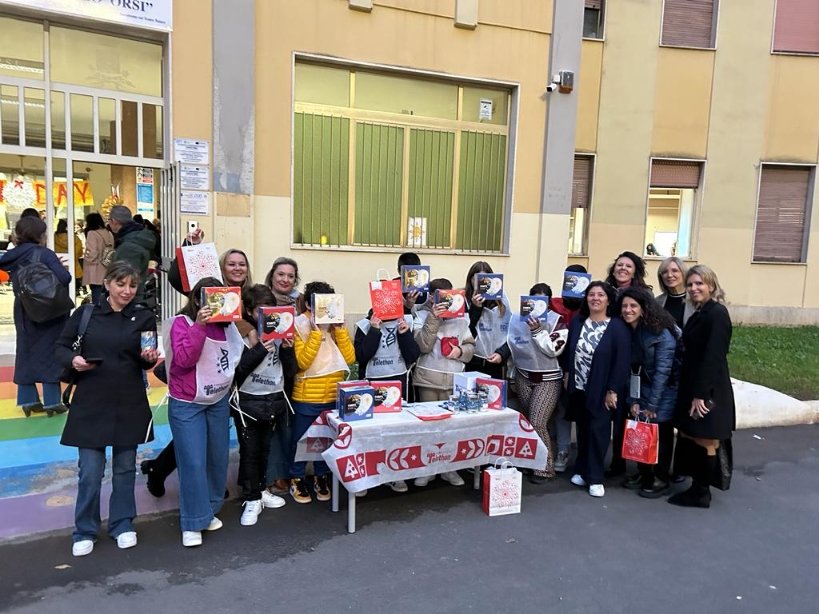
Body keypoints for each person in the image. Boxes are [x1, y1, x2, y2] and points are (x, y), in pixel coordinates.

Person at [55, 261, 159, 556]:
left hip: (129, 401)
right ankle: (85, 529)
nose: (127, 291)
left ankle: (123, 523)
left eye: (133, 286)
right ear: (108, 284)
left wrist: (148, 357)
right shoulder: (86, 313)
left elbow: (147, 360)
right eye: (121, 284)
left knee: (125, 468)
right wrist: (73, 361)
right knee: (90, 471)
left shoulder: (143, 317)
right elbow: (60, 347)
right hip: (90, 401)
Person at [141, 245, 254, 497]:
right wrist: (190, 245)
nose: (237, 268)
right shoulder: (207, 288)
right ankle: (162, 471)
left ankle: (211, 484)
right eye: (232, 264)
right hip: (196, 370)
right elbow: (177, 274)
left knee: (214, 437)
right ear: (221, 267)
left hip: (230, 371)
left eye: (242, 264)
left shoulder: (250, 294)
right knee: (193, 437)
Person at [165, 277, 243, 547]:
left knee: (216, 458)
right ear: (197, 299)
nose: (214, 303)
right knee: (193, 462)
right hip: (188, 403)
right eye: (207, 297)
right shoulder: (181, 323)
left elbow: (236, 359)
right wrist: (199, 325)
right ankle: (193, 521)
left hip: (218, 400)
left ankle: (208, 509)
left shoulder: (228, 326)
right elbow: (184, 360)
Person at [669, 265, 735, 509]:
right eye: (690, 284)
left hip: (709, 389)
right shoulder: (701, 312)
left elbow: (714, 357)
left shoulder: (717, 314)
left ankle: (701, 492)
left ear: (711, 286)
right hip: (694, 384)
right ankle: (696, 487)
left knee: (706, 439)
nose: (694, 288)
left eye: (699, 284)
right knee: (692, 435)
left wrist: (701, 395)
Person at [231, 285, 296, 525]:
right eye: (260, 311)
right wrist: (259, 348)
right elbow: (238, 372)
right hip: (248, 400)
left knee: (265, 450)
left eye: (269, 310)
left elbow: (290, 371)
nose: (265, 316)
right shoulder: (241, 333)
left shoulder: (281, 331)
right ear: (249, 310)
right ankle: (250, 498)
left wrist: (288, 349)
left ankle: (260, 491)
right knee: (249, 452)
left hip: (274, 399)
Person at [289, 281, 355, 504]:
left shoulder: (335, 326)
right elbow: (301, 363)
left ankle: (321, 477)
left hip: (332, 395)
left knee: (325, 441)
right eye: (320, 302)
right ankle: (296, 478)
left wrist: (341, 331)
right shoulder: (298, 324)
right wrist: (316, 333)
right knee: (301, 442)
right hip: (306, 396)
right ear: (308, 303)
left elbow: (350, 359)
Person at [562, 281, 630, 498]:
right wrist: (567, 374)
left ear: (608, 299)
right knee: (582, 431)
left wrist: (612, 390)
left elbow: (621, 362)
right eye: (591, 294)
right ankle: (582, 471)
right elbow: (569, 351)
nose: (595, 298)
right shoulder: (578, 322)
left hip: (602, 389)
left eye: (601, 295)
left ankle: (596, 478)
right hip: (579, 387)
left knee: (598, 433)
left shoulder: (617, 326)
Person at [0, 217, 72, 417]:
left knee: (25, 351)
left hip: (23, 308)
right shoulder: (44, 254)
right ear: (40, 235)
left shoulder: (10, 256)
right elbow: (65, 278)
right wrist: (58, 267)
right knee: (51, 351)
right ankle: (51, 402)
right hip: (49, 309)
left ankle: (28, 400)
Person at [412, 277, 475, 488]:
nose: (446, 300)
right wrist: (433, 317)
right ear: (431, 296)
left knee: (451, 429)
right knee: (429, 429)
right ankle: (427, 470)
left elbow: (470, 346)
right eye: (441, 296)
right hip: (429, 378)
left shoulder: (462, 318)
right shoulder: (420, 315)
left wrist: (461, 351)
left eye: (450, 295)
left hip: (455, 380)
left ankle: (450, 469)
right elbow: (423, 346)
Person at [354, 302, 421, 495]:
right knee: (370, 432)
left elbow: (412, 355)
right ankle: (365, 475)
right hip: (370, 384)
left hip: (397, 383)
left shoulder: (404, 321)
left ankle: (393, 474)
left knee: (395, 432)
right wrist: (374, 330)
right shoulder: (364, 325)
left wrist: (404, 334)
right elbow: (362, 355)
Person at [619, 287, 680, 498]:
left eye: (633, 306)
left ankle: (660, 478)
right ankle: (645, 473)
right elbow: (633, 370)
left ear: (644, 309)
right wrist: (634, 400)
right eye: (625, 306)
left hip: (663, 392)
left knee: (660, 435)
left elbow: (663, 372)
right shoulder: (631, 331)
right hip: (642, 387)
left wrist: (652, 405)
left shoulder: (661, 333)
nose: (628, 310)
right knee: (642, 431)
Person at [507, 283, 567, 483]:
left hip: (548, 379)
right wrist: (512, 375)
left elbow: (553, 350)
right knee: (528, 424)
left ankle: (545, 467)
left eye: (543, 300)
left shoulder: (558, 321)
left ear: (549, 302)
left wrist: (537, 331)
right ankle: (528, 461)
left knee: (538, 422)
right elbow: (513, 346)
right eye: (534, 300)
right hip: (524, 376)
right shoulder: (517, 319)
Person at [262, 256, 301, 495]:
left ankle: (284, 472)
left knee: (287, 425)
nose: (285, 279)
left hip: (289, 369)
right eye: (281, 274)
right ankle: (271, 474)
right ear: (272, 276)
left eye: (290, 276)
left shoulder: (301, 303)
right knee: (268, 428)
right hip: (264, 371)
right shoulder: (260, 298)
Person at [548, 264, 587, 472]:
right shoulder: (554, 305)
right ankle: (562, 451)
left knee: (582, 413)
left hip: (583, 368)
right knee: (561, 411)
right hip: (558, 366)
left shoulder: (591, 308)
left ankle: (583, 455)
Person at [463, 261, 510, 380]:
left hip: (495, 364)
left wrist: (502, 354)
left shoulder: (501, 303)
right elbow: (465, 333)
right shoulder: (463, 301)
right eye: (477, 279)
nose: (481, 283)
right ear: (471, 280)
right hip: (472, 362)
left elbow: (510, 334)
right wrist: (475, 308)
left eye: (485, 279)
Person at [107, 205, 157, 303]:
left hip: (126, 300)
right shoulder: (135, 239)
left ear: (114, 221)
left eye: (109, 220)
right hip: (132, 296)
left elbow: (125, 277)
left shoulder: (130, 246)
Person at [82, 213, 115, 305]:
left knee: (96, 296)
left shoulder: (92, 233)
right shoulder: (109, 233)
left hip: (95, 269)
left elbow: (92, 253)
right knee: (106, 295)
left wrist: (86, 259)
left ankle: (98, 316)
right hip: (108, 267)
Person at [655, 256, 694, 328]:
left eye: (674, 270)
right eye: (665, 272)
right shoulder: (657, 302)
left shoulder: (695, 299)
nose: (669, 275)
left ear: (684, 273)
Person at [54, 219, 84, 296]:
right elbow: (79, 253)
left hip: (57, 269)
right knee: (72, 293)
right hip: (73, 268)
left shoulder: (52, 238)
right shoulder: (75, 239)